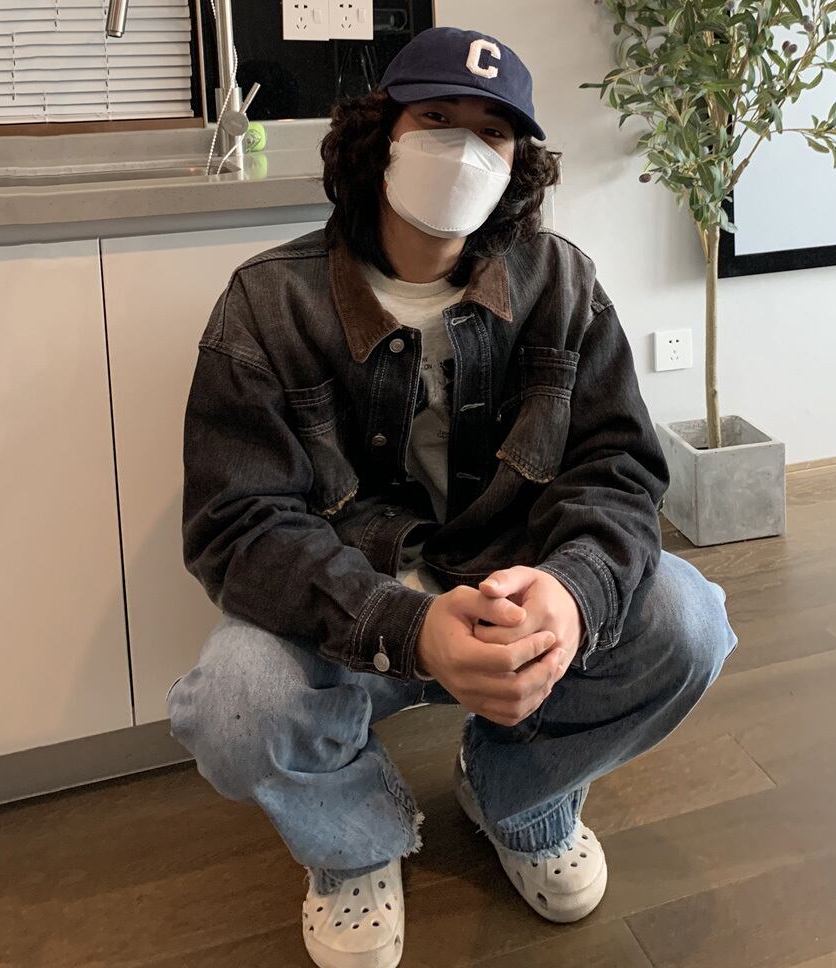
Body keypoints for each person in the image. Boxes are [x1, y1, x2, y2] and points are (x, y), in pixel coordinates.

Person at [167, 26, 738, 968]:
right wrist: (407, 626)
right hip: (351, 608)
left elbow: (617, 468)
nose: (464, 150)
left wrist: (571, 593)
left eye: (493, 132)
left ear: (517, 163)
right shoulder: (267, 305)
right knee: (234, 703)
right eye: (437, 118)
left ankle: (518, 795)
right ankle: (353, 846)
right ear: (380, 135)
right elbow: (237, 524)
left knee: (690, 621)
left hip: (516, 596)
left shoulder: (562, 283)